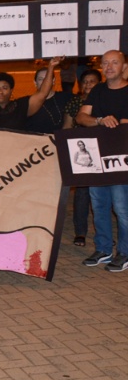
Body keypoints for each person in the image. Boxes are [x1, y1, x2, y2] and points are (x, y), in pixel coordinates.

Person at [75, 50, 128, 271]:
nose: (109, 67)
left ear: (124, 67)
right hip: (97, 158)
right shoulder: (97, 90)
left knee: (122, 207)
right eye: (105, 63)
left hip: (122, 159)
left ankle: (124, 252)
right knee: (99, 205)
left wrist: (114, 122)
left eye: (114, 62)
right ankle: (104, 249)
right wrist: (99, 119)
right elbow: (81, 117)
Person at [0, 39, 61, 130]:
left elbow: (43, 93)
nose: (0, 91)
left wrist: (51, 66)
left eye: (5, 87)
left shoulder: (21, 107)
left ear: (11, 90)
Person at [63, 68, 102, 247]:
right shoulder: (75, 102)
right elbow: (67, 126)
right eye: (85, 81)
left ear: (99, 83)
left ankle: (102, 232)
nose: (87, 84)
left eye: (92, 81)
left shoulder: (104, 101)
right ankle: (80, 232)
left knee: (102, 194)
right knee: (82, 192)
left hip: (102, 151)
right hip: (79, 153)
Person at [26, 65, 72, 133]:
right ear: (35, 83)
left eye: (47, 78)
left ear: (53, 81)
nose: (45, 82)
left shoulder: (66, 98)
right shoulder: (28, 103)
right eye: (41, 79)